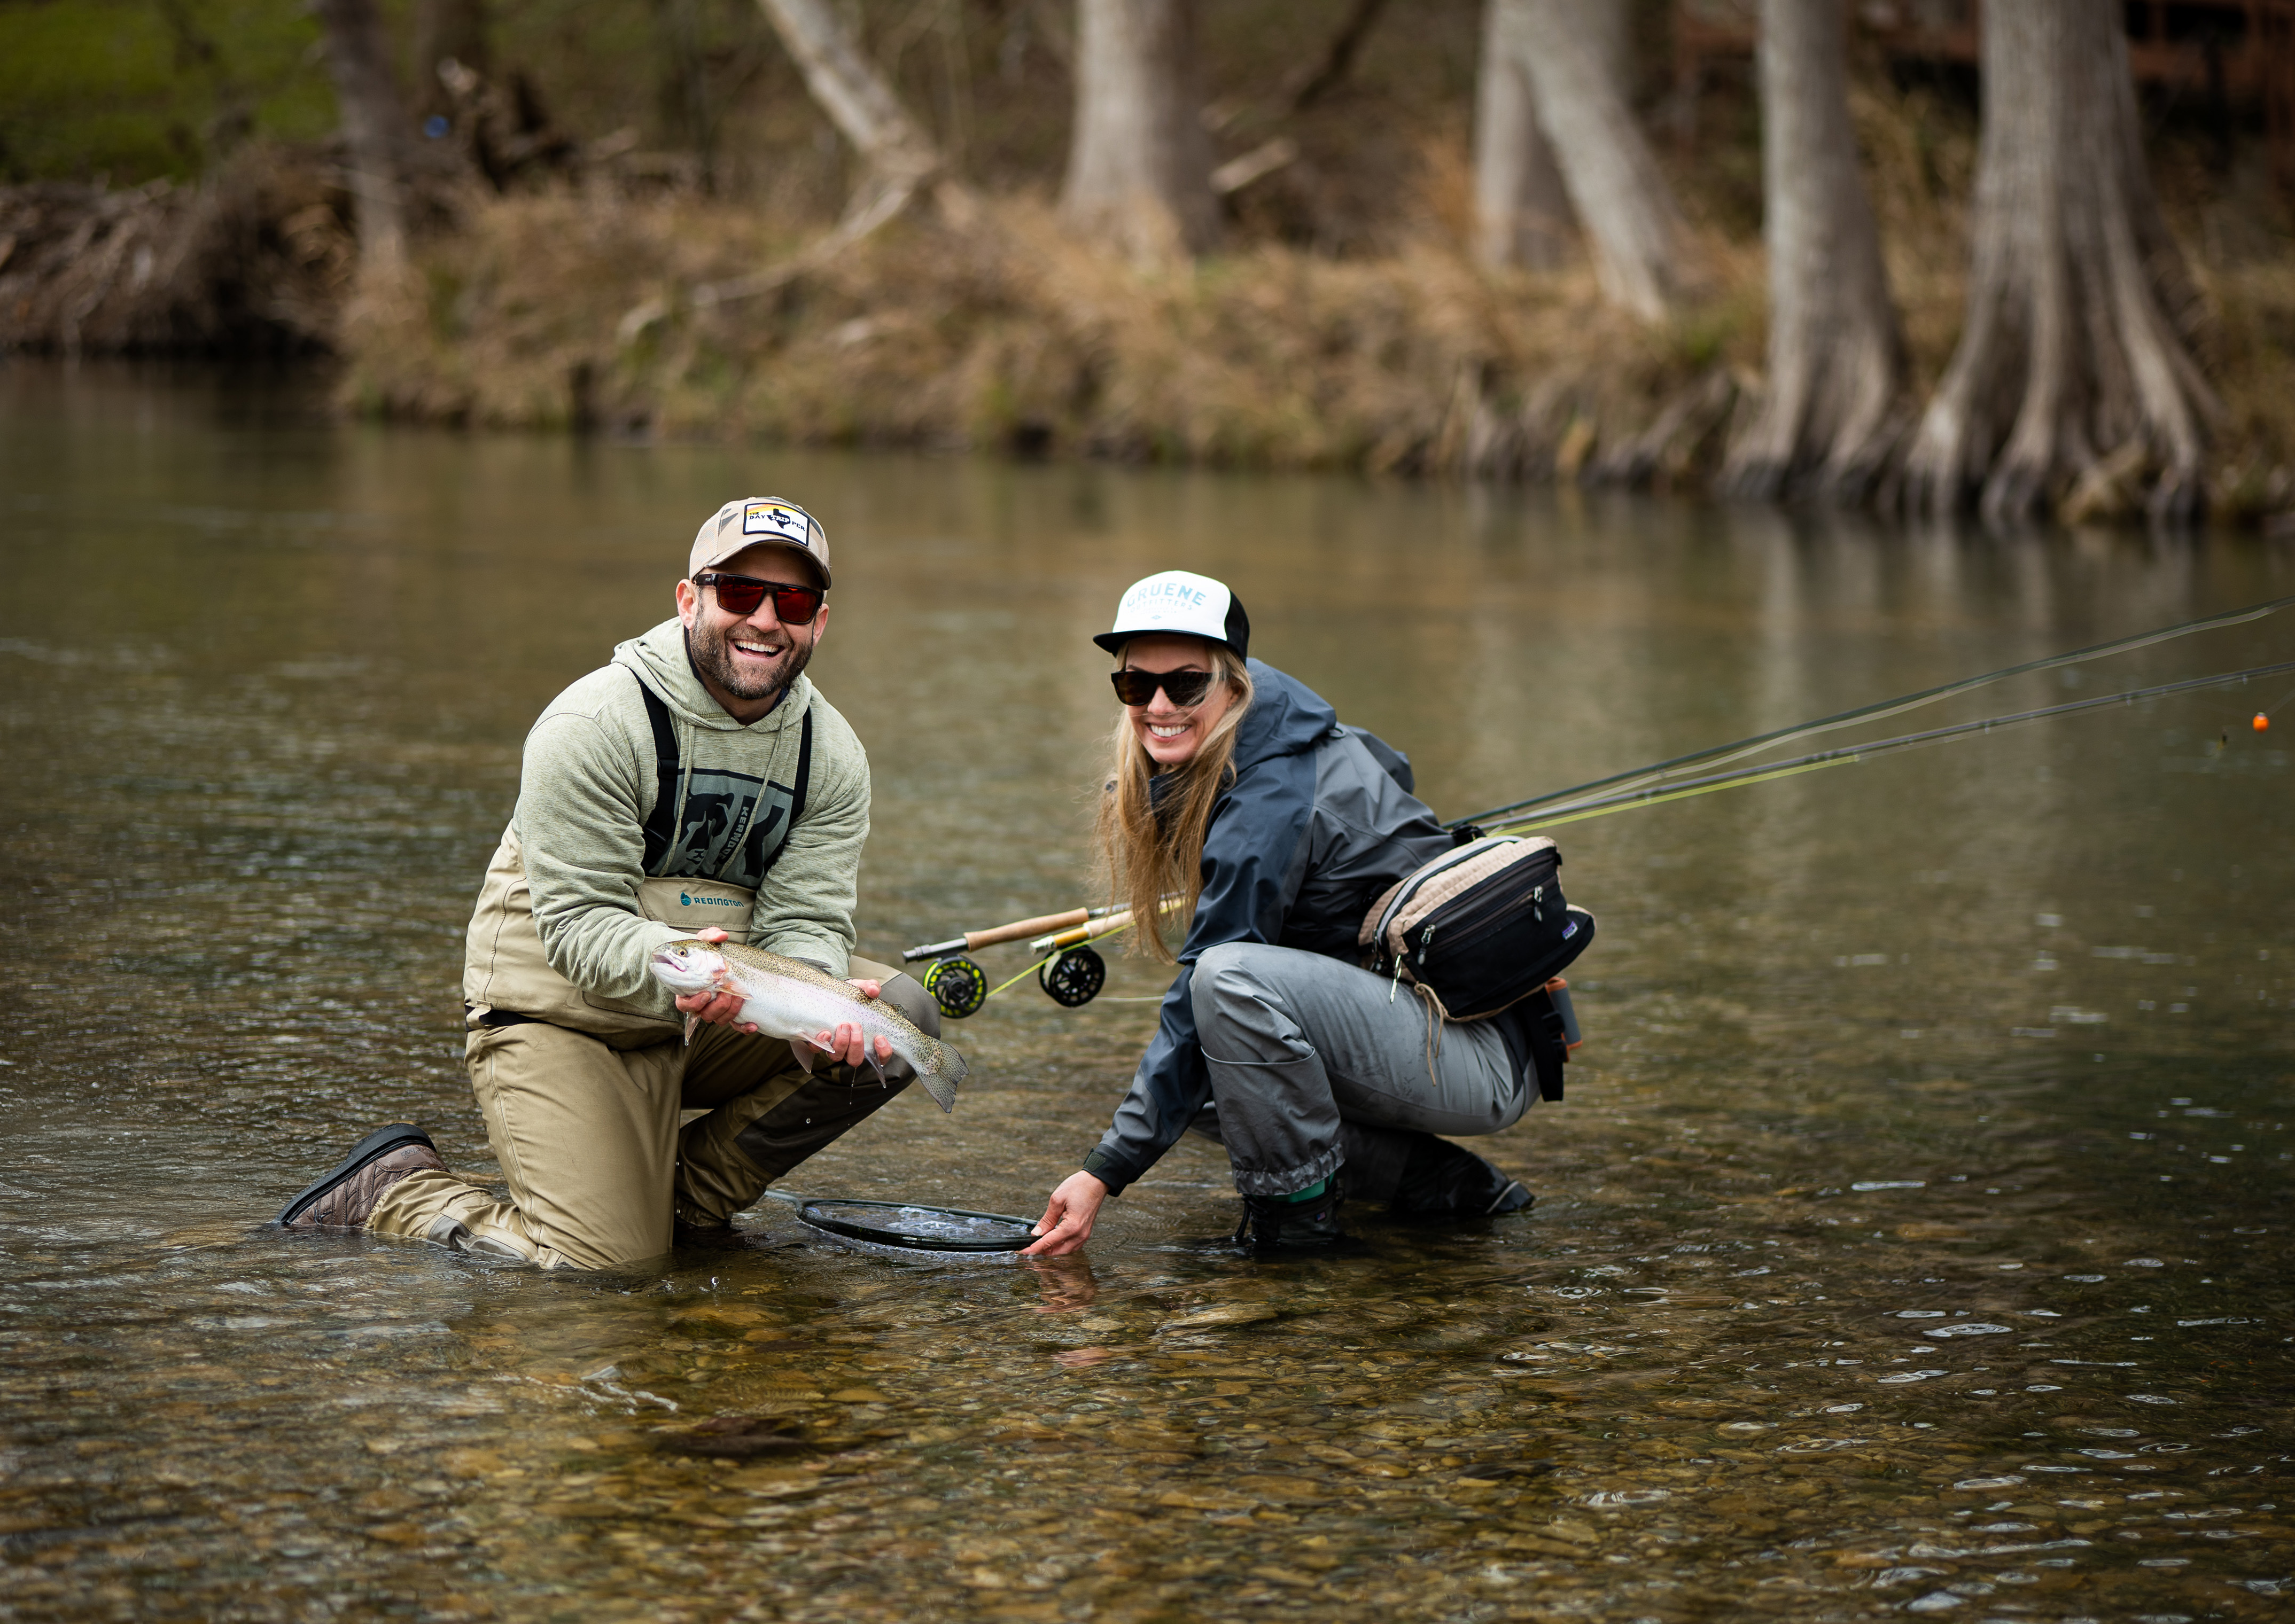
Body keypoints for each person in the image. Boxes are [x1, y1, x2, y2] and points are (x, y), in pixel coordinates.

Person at [277, 496, 939, 1266]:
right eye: (738, 593)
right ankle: (403, 1195)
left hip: (709, 1011)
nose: (765, 620)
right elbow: (581, 928)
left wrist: (820, 1007)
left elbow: (809, 922)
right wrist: (689, 970)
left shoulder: (832, 755)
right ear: (690, 599)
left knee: (900, 1018)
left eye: (791, 601)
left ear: (818, 622)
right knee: (604, 1270)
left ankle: (687, 1200)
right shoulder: (594, 723)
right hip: (561, 1014)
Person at [1024, 571, 1540, 1255]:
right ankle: (1442, 1186)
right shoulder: (1271, 731)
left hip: (1483, 1054)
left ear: (1233, 685)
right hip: (1423, 1031)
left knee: (1225, 987)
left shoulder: (1272, 797)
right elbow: (1397, 770)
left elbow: (1207, 981)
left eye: (1184, 685)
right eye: (1133, 685)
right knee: (1208, 1080)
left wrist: (1103, 1172)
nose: (1156, 705)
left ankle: (1296, 1227)